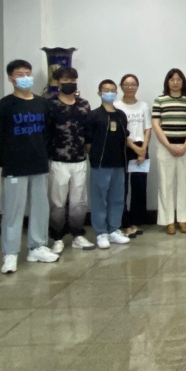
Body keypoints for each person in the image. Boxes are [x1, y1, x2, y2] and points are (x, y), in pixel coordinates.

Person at [0, 59, 59, 275]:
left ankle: (37, 247)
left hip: (39, 163)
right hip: (14, 165)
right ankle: (10, 253)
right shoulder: (3, 106)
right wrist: (3, 160)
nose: (25, 77)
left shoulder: (43, 104)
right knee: (13, 210)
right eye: (20, 74)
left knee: (40, 208)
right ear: (11, 78)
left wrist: (45, 154)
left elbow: (49, 133)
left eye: (28, 73)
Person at [46, 67, 94, 253]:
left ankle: (77, 235)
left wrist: (91, 153)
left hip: (80, 159)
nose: (70, 83)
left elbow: (88, 132)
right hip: (58, 160)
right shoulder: (50, 105)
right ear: (58, 82)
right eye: (66, 80)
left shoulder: (84, 104)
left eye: (73, 80)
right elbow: (46, 133)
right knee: (57, 203)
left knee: (78, 202)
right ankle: (57, 237)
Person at [85, 80, 131, 249]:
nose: (110, 93)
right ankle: (101, 232)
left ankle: (113, 230)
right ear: (99, 93)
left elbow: (125, 137)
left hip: (119, 163)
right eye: (106, 90)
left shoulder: (121, 115)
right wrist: (94, 156)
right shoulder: (94, 115)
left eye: (113, 90)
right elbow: (88, 141)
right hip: (100, 164)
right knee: (99, 199)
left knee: (117, 198)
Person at [152, 69, 186, 235]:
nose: (175, 82)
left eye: (179, 79)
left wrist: (185, 145)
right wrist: (169, 145)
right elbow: (156, 124)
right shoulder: (159, 100)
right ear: (167, 82)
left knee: (185, 183)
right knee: (165, 183)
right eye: (172, 79)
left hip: (185, 147)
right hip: (165, 148)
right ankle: (168, 221)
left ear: (183, 82)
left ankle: (184, 219)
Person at [116, 74, 150, 238]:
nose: (130, 87)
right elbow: (120, 132)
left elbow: (147, 129)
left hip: (141, 148)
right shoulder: (116, 106)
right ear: (121, 86)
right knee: (121, 187)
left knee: (139, 187)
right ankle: (124, 224)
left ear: (137, 86)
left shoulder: (143, 106)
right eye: (126, 84)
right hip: (123, 148)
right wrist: (136, 148)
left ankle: (136, 222)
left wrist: (143, 149)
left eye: (133, 84)